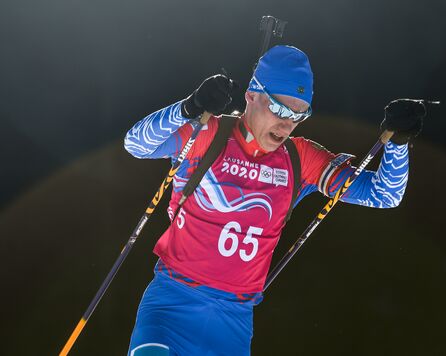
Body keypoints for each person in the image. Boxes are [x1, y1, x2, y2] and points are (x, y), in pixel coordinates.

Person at [124, 45, 424, 355]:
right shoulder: (210, 134)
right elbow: (136, 145)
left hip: (233, 324)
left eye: (298, 115)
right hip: (172, 303)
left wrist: (398, 144)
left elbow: (384, 195)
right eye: (280, 109)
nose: (286, 124)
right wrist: (188, 108)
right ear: (251, 95)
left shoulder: (299, 158)